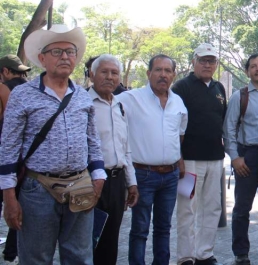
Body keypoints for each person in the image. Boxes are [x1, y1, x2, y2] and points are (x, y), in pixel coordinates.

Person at [0, 24, 106, 264]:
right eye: (57, 52)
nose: (65, 57)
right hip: (38, 189)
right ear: (42, 58)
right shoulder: (23, 94)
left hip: (80, 185)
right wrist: (9, 198)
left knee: (79, 257)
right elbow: (8, 148)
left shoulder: (81, 95)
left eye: (70, 51)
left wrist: (98, 177)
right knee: (37, 258)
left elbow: (93, 141)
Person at [118, 54, 188, 265]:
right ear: (149, 73)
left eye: (168, 71)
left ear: (173, 75)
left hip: (171, 175)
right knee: (139, 229)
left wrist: (179, 159)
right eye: (158, 70)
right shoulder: (130, 99)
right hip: (142, 175)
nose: (163, 75)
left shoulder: (178, 102)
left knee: (164, 228)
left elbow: (180, 133)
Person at [172, 44, 227, 265]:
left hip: (215, 158)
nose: (207, 64)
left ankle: (204, 253)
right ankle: (185, 256)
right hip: (190, 160)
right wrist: (179, 158)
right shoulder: (181, 87)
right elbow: (173, 124)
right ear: (194, 61)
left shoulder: (219, 88)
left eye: (211, 61)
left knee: (213, 208)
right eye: (203, 60)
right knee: (187, 209)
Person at [223, 53, 258, 265]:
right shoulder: (240, 96)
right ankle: (241, 251)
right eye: (253, 66)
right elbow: (228, 128)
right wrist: (235, 158)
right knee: (242, 208)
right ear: (247, 71)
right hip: (248, 156)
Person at [88, 54, 139, 265]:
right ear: (92, 74)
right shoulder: (83, 104)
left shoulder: (120, 106)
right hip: (90, 182)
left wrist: (132, 183)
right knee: (87, 241)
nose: (110, 77)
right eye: (104, 72)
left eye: (114, 73)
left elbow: (125, 148)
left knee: (110, 240)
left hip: (116, 183)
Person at [0, 54, 29, 265]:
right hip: (26, 161)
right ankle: (12, 252)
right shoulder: (30, 91)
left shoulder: (4, 89)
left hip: (6, 156)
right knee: (19, 205)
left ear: (5, 71)